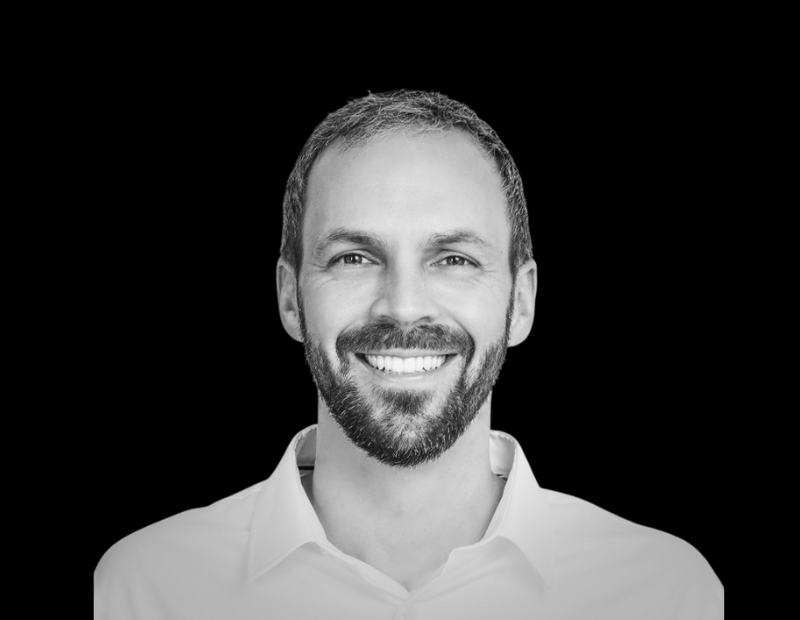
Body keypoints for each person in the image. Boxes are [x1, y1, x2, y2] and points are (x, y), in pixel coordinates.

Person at [94, 90, 724, 619]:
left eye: (453, 259)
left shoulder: (669, 595)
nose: (401, 306)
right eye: (354, 258)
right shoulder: (142, 591)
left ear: (522, 301)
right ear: (290, 299)